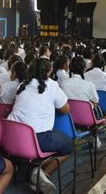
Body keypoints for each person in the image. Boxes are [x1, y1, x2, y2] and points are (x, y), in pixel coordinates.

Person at [8, 58, 73, 192]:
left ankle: (36, 170)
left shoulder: (22, 85)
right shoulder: (52, 85)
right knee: (69, 145)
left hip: (10, 137)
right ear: (49, 71)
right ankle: (41, 173)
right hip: (36, 140)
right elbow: (66, 109)